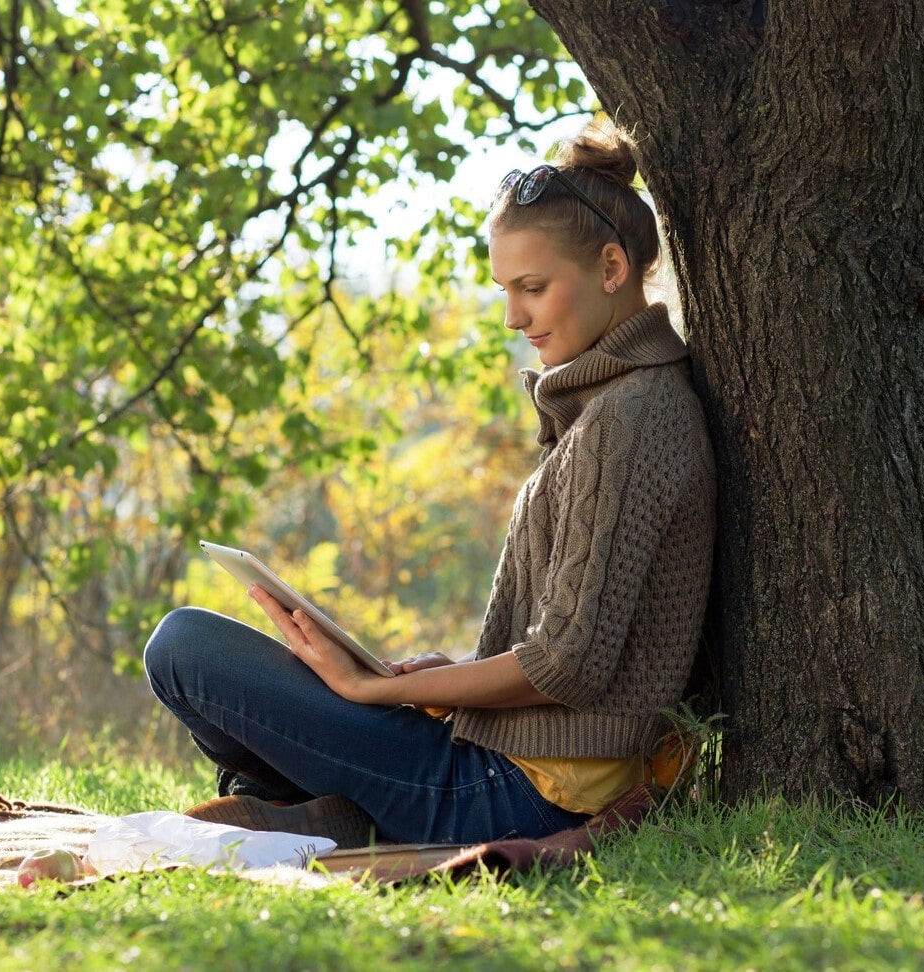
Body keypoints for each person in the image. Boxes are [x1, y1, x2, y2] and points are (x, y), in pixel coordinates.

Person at [143, 122, 716, 848]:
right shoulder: (615, 405)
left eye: (532, 289)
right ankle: (314, 808)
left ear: (611, 267)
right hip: (509, 765)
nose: (514, 317)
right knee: (224, 652)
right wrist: (460, 676)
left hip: (518, 794)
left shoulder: (630, 416)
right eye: (506, 290)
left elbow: (566, 662)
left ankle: (300, 805)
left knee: (184, 650)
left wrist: (376, 689)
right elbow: (581, 641)